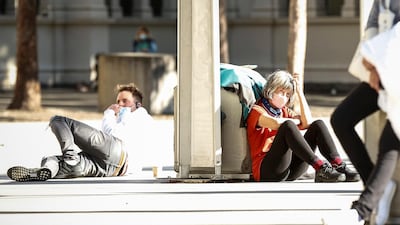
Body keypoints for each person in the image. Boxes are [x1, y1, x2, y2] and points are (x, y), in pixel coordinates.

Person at [330, 0, 400, 224]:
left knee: (390, 140)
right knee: (341, 119)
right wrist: (372, 66)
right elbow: (372, 26)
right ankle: (376, 186)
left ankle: (364, 208)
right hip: (383, 74)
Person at [7, 83, 154, 181]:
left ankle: (69, 158)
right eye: (118, 101)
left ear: (137, 104)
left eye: (125, 101)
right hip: (113, 169)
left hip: (118, 152)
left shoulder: (140, 114)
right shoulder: (138, 121)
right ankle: (43, 171)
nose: (119, 104)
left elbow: (114, 136)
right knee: (53, 160)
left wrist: (109, 113)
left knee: (58, 120)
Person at [246, 70, 360, 183]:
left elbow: (307, 123)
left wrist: (300, 93)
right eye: (281, 92)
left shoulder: (284, 111)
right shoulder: (257, 110)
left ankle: (338, 165)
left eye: (288, 95)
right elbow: (276, 123)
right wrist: (294, 121)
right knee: (288, 125)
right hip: (267, 171)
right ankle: (320, 167)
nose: (284, 97)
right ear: (270, 90)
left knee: (317, 125)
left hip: (290, 170)